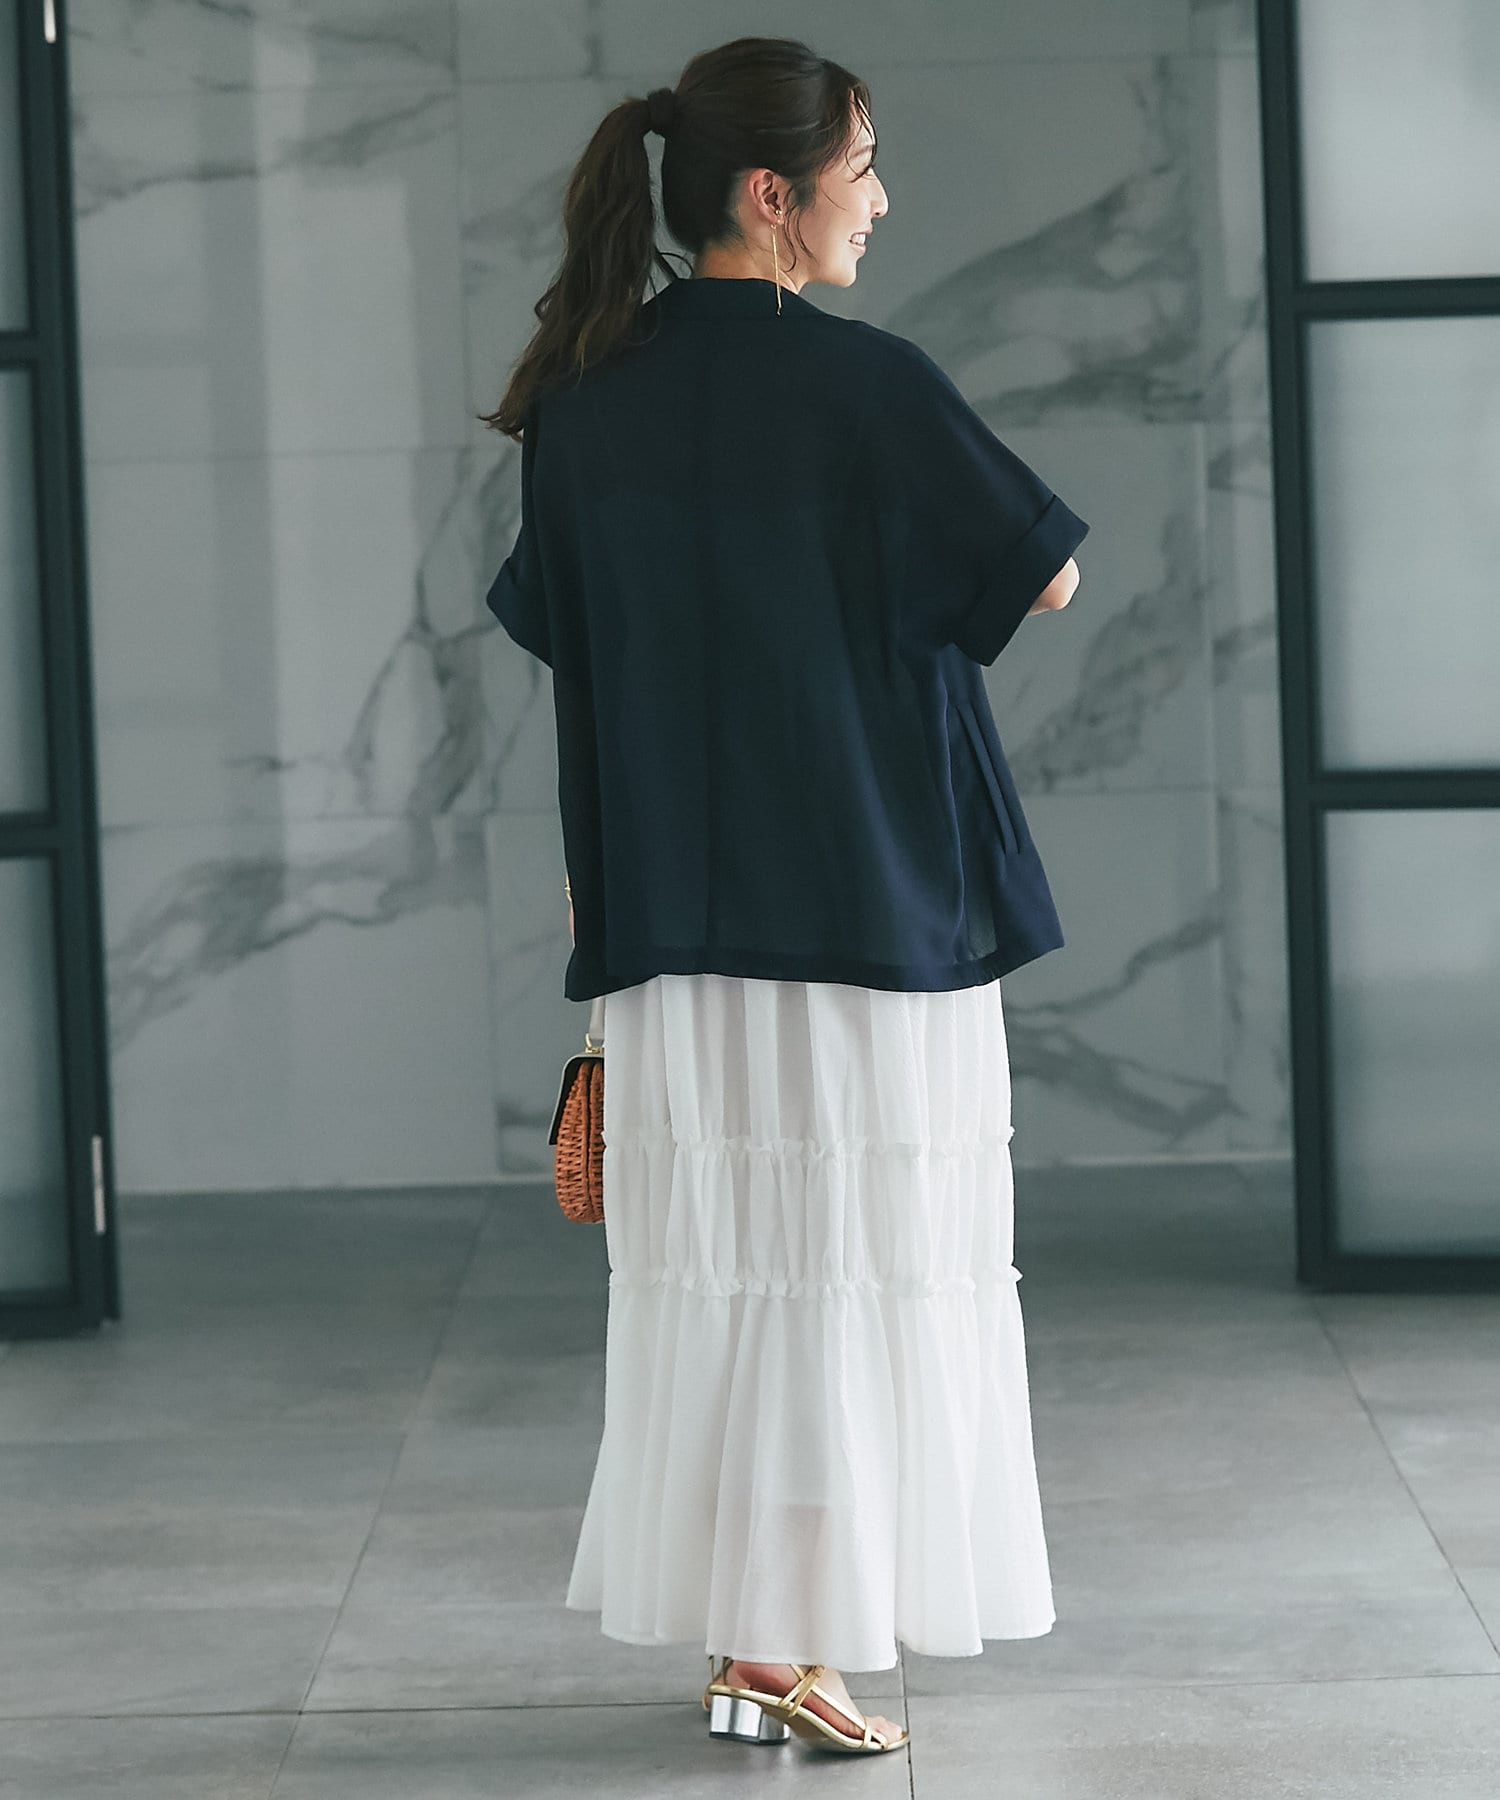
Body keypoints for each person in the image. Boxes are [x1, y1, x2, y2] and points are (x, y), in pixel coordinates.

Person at [479, 36, 1088, 1759]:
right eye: (863, 169)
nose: (878, 201)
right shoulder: (868, 385)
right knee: (862, 1265)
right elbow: (1043, 573)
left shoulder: (583, 405)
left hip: (673, 923)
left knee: (734, 1274)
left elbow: (573, 642)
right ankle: (782, 1645)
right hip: (870, 910)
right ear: (774, 193)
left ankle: (761, 1641)